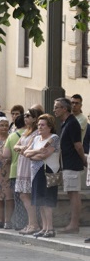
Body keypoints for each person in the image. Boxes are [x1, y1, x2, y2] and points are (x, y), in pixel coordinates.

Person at [23, 114, 60, 238]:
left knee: (47, 201)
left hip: (47, 171)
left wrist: (33, 155)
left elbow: (45, 155)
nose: (40, 127)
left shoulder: (54, 138)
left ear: (50, 126)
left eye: (43, 125)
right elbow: (26, 153)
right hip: (36, 172)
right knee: (39, 201)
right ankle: (44, 228)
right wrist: (37, 152)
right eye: (39, 124)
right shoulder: (36, 138)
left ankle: (50, 228)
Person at [53, 98, 85, 234]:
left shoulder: (72, 123)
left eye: (57, 107)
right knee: (71, 193)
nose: (54, 110)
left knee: (73, 194)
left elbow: (78, 145)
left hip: (72, 163)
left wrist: (84, 160)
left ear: (64, 109)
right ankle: (73, 223)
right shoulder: (66, 123)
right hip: (67, 163)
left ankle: (74, 224)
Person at [15, 108, 43, 235]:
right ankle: (31, 223)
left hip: (29, 163)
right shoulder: (26, 132)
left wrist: (22, 148)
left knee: (26, 194)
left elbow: (28, 148)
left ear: (34, 118)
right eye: (25, 115)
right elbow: (17, 146)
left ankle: (34, 223)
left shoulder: (36, 133)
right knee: (23, 194)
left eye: (28, 115)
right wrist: (21, 148)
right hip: (22, 163)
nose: (25, 118)